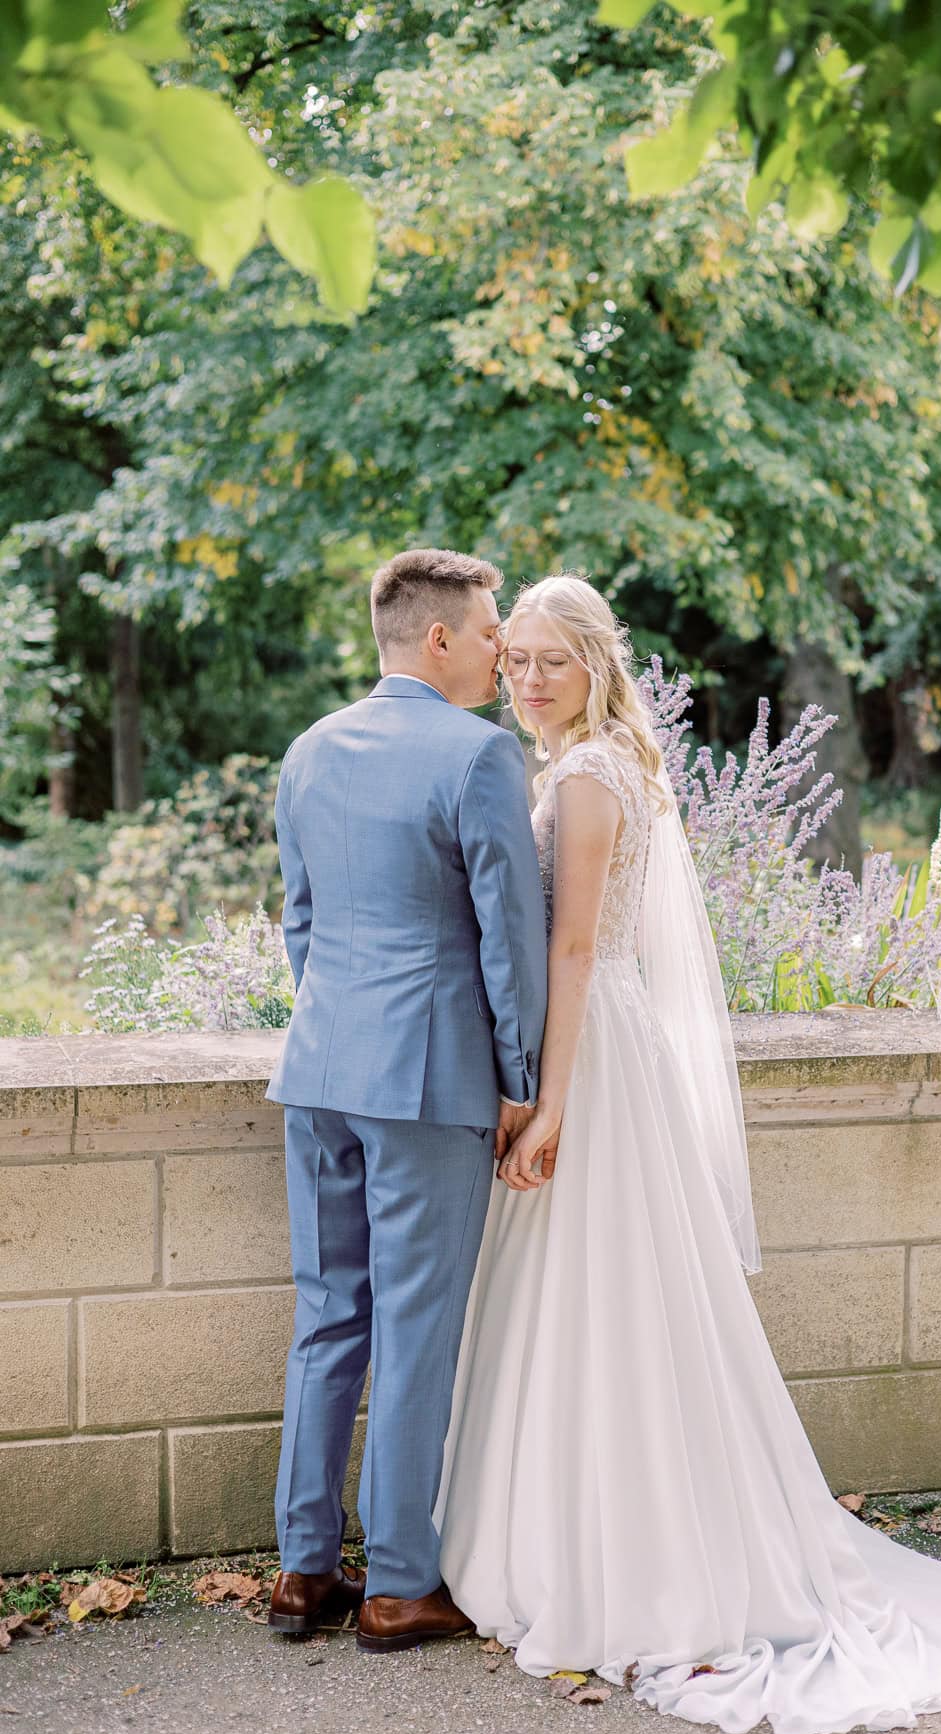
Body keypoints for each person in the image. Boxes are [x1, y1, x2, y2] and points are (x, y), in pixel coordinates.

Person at [436, 573, 941, 1734]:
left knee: (602, 1301)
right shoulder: (598, 766)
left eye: (550, 660)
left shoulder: (585, 779)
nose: (526, 678)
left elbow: (570, 953)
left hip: (595, 1062)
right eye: (514, 659)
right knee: (600, 1304)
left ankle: (627, 1562)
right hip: (610, 1047)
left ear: (599, 665)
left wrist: (547, 1100)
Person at [264, 548, 548, 1652]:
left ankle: (299, 1574)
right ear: (437, 639)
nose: (497, 653)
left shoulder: (309, 749)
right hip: (428, 1078)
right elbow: (508, 944)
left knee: (328, 1314)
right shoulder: (481, 757)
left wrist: (338, 1025)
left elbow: (300, 919)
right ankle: (396, 1584)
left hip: (321, 1068)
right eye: (487, 634)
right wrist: (519, 1082)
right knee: (416, 1326)